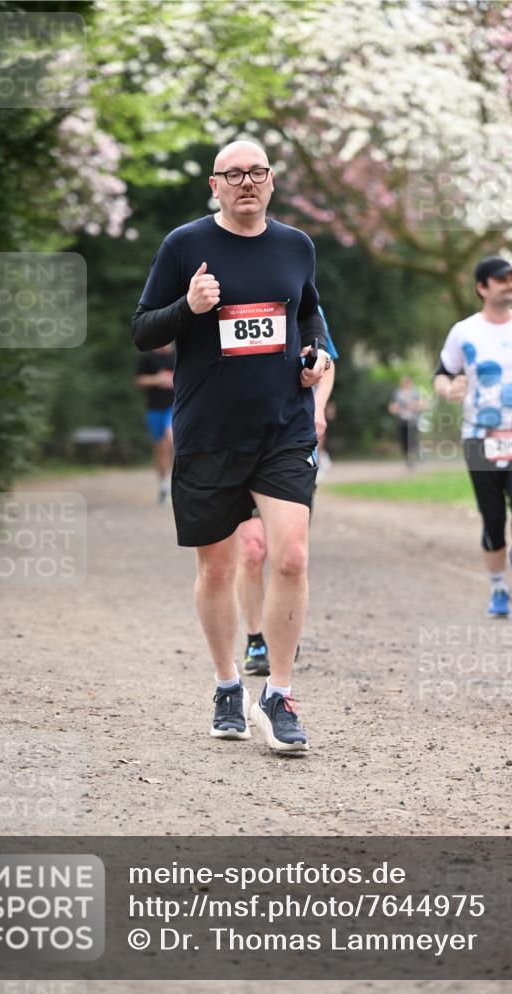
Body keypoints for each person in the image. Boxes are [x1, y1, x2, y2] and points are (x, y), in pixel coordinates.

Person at [131, 140, 331, 751]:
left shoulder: (296, 246)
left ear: (272, 182)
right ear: (214, 186)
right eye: (234, 174)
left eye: (257, 172)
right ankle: (226, 685)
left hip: (283, 429)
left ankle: (279, 694)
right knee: (217, 567)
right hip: (209, 433)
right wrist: (188, 307)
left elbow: (309, 313)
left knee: (291, 557)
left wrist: (315, 353)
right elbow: (142, 330)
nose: (248, 182)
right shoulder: (184, 245)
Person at [433, 255, 512, 617]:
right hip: (479, 437)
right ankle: (498, 588)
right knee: (493, 519)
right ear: (482, 288)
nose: (510, 284)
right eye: (502, 279)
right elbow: (442, 374)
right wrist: (448, 390)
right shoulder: (464, 331)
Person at [238, 305, 338, 677]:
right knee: (252, 549)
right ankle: (255, 639)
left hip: (291, 443)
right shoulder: (231, 294)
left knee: (289, 556)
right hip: (240, 442)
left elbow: (327, 362)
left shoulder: (299, 295)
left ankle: (282, 633)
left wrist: (318, 408)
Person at [135, 344, 175, 503]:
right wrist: (157, 379)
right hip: (154, 408)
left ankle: (176, 480)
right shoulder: (148, 358)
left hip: (175, 406)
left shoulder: (179, 355)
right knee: (159, 447)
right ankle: (164, 484)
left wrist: (174, 380)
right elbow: (139, 380)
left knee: (170, 438)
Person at [388, 375, 425, 467]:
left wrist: (414, 406)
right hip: (402, 420)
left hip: (413, 420)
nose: (405, 384)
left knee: (412, 440)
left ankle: (412, 458)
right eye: (403, 382)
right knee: (404, 441)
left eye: (407, 382)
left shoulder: (415, 393)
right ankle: (409, 457)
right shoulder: (397, 393)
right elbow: (392, 407)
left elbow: (422, 404)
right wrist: (395, 408)